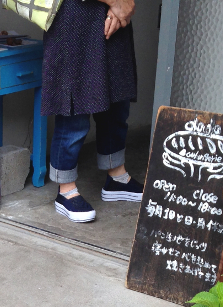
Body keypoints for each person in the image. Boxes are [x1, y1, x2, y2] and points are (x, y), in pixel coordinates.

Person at [42, 0, 144, 223]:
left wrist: (120, 8)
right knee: (75, 109)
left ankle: (116, 176)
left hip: (112, 19)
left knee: (117, 100)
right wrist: (117, 3)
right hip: (75, 18)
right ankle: (66, 189)